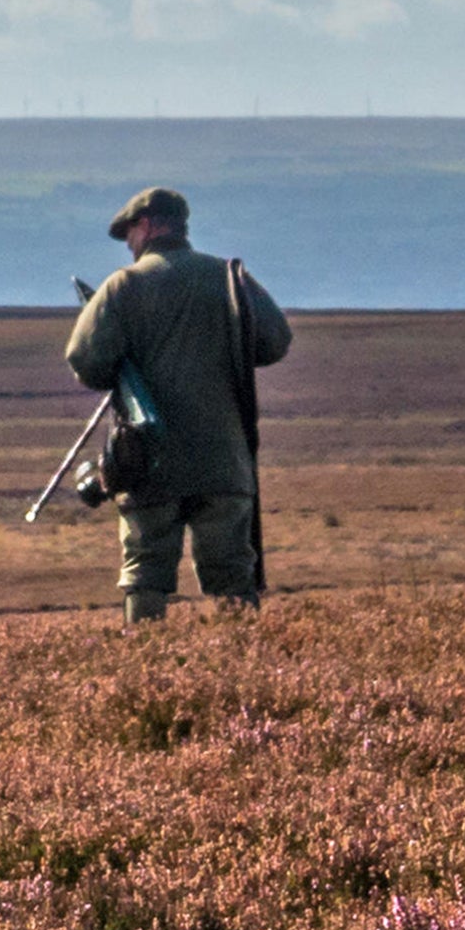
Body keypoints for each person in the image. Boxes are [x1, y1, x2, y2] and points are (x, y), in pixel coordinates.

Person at [65, 187, 291, 624]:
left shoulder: (123, 287)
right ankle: (246, 671)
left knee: (145, 574)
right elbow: (275, 341)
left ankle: (146, 667)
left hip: (148, 461)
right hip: (224, 461)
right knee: (231, 578)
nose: (129, 245)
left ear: (147, 224)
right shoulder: (230, 278)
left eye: (129, 233)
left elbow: (86, 362)